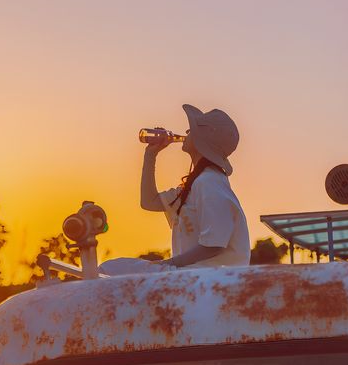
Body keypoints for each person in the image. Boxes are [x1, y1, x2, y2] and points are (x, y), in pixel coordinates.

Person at [100, 104, 250, 275]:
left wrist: (168, 264)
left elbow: (214, 244)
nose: (186, 131)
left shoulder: (210, 182)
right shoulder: (197, 183)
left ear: (202, 140)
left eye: (191, 130)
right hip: (193, 276)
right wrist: (151, 155)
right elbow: (149, 202)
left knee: (112, 270)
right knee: (113, 269)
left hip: (208, 279)